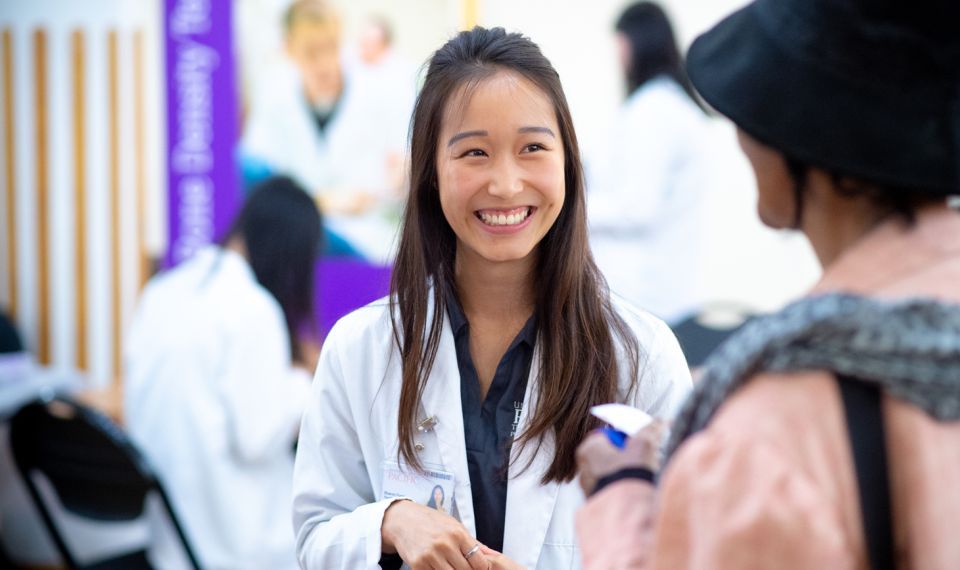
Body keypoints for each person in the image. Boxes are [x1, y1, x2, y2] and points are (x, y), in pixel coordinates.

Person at [575, 0, 960, 568]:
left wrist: (621, 493)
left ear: (809, 140)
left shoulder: (774, 431)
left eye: (756, 111)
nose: (742, 137)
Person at [292, 27, 693, 570]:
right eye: (474, 152)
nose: (505, 185)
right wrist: (388, 521)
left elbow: (686, 552)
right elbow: (315, 536)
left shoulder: (643, 356)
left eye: (532, 148)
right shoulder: (359, 349)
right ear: (430, 172)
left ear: (569, 164)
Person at [124, 176, 323, 569]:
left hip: (169, 541)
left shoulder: (164, 289)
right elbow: (258, 438)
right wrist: (309, 383)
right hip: (237, 544)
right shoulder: (252, 308)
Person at [240, 1, 413, 260]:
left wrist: (398, 179)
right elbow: (258, 179)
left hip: (368, 242)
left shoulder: (380, 92)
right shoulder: (275, 98)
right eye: (311, 52)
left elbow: (401, 173)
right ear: (289, 50)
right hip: (295, 243)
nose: (324, 63)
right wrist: (321, 201)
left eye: (331, 47)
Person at [586, 2, 714, 325]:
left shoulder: (654, 111)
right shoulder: (668, 106)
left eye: (619, 46)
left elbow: (636, 207)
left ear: (633, 45)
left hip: (645, 301)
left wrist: (565, 205)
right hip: (663, 295)